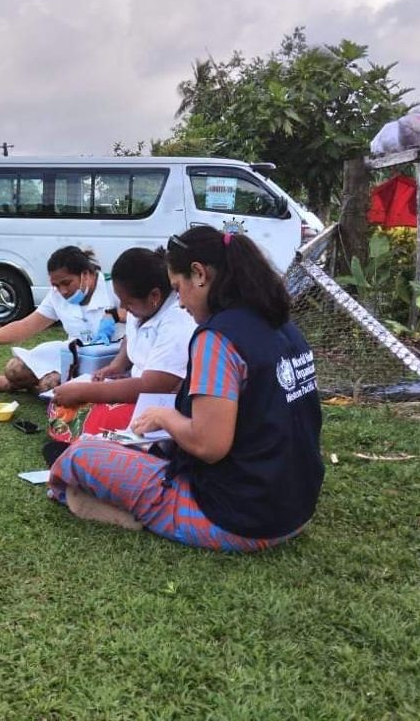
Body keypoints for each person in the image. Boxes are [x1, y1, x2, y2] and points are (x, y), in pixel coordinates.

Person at [47, 226, 323, 552]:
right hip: (296, 508)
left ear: (199, 274)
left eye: (178, 289)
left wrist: (164, 417)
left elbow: (209, 445)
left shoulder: (217, 338)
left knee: (81, 455)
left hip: (239, 518)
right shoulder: (284, 327)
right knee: (138, 449)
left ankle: (106, 501)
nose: (179, 303)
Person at [46, 246, 196, 443]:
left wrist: (82, 391)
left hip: (162, 401)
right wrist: (116, 365)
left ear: (154, 296)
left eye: (128, 302)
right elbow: (131, 336)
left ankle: (92, 445)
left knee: (96, 412)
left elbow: (153, 386)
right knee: (65, 405)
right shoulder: (142, 308)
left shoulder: (178, 320)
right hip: (140, 387)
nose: (123, 308)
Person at [0, 246, 121, 394]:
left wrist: (113, 315)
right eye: (56, 285)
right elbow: (27, 326)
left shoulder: (114, 286)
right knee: (14, 369)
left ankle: (12, 385)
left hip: (112, 358)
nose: (62, 291)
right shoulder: (56, 295)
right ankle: (12, 382)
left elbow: (135, 309)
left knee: (51, 385)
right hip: (73, 354)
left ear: (85, 274)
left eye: (66, 283)